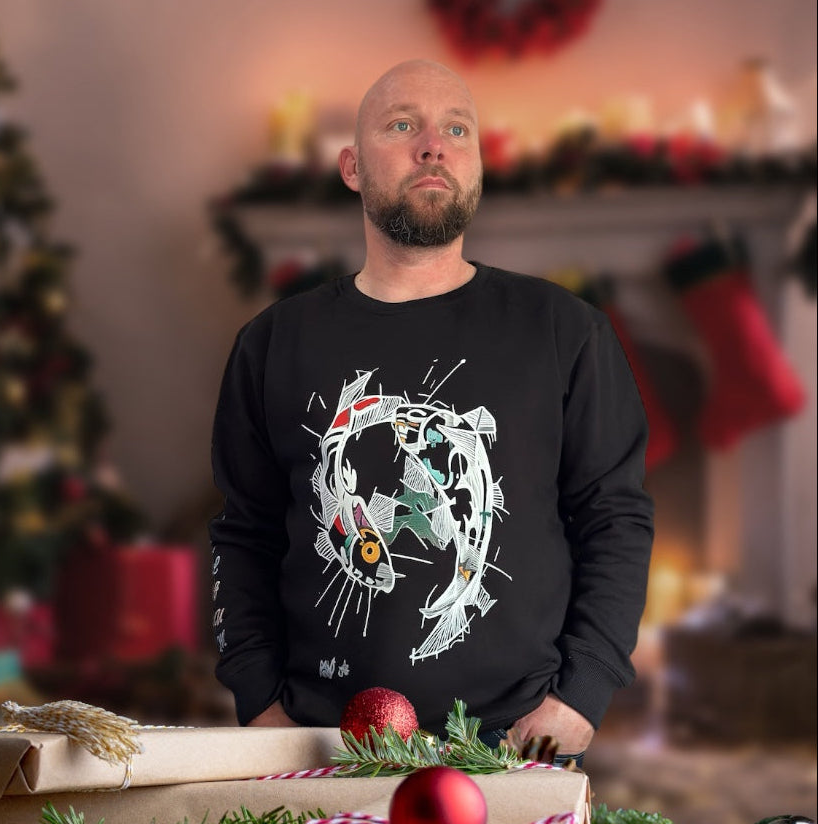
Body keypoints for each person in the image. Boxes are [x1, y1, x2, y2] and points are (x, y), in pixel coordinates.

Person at [209, 59, 654, 764]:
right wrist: (258, 699)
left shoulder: (566, 331)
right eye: (402, 125)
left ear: (477, 165)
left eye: (456, 128)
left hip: (514, 746)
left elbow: (615, 517)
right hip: (314, 741)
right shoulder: (274, 343)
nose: (433, 144)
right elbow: (245, 535)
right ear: (351, 167)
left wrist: (582, 692)